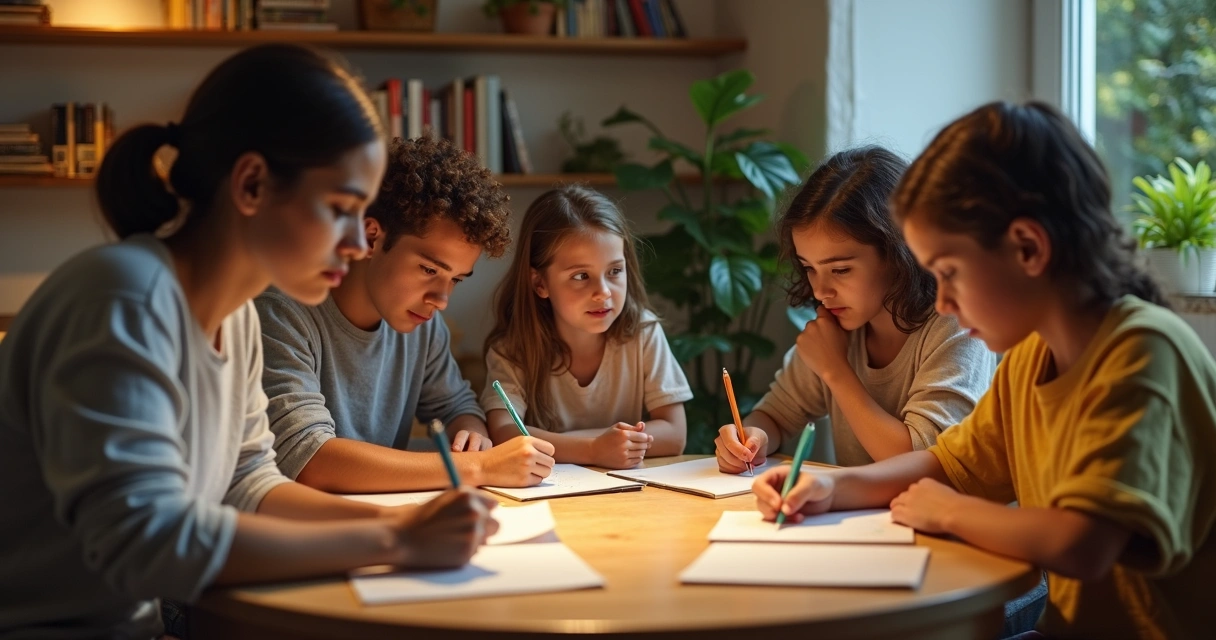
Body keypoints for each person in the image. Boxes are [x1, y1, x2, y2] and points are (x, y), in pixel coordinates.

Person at [0, 44, 495, 638]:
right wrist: (394, 540)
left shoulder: (234, 319)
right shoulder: (123, 298)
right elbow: (143, 541)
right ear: (253, 184)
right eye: (340, 208)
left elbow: (250, 481)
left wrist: (406, 526)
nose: (355, 243)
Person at [753, 101, 1216, 638]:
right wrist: (831, 488)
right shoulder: (1029, 357)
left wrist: (948, 512)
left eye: (950, 273)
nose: (942, 301)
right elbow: (948, 465)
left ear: (1028, 248)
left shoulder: (1141, 352)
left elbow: (1082, 543)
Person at [257, 135, 555, 493]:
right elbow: (309, 458)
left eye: (456, 279)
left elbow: (457, 406)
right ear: (371, 238)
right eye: (429, 270)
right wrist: (478, 466)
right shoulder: (282, 312)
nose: (441, 299)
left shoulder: (423, 323)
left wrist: (472, 435)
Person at [716, 146, 996, 471]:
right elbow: (775, 416)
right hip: (859, 505)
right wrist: (752, 438)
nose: (820, 291)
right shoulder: (841, 324)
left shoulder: (957, 326)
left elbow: (921, 462)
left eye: (840, 270)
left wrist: (835, 371)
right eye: (808, 268)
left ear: (898, 253)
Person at [481, 186, 693, 469]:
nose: (603, 292)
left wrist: (601, 446)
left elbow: (675, 434)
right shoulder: (512, 349)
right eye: (581, 276)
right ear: (540, 283)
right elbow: (504, 433)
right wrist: (593, 450)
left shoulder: (643, 331)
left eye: (615, 271)